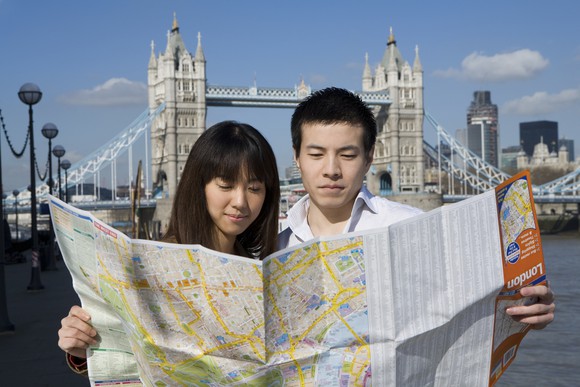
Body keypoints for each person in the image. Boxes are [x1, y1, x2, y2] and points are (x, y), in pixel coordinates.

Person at [278, 87, 555, 329]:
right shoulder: (271, 243)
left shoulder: (416, 227)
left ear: (369, 157)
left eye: (347, 155)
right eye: (316, 155)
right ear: (297, 157)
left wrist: (528, 309)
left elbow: (476, 302)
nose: (331, 170)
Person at [57, 120, 280, 374]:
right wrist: (83, 345)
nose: (241, 202)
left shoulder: (259, 272)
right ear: (199, 186)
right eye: (226, 186)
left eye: (254, 188)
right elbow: (127, 354)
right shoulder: (150, 266)